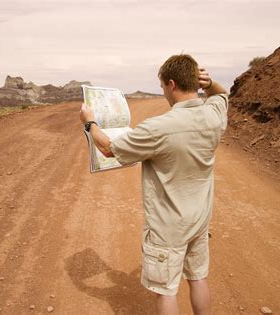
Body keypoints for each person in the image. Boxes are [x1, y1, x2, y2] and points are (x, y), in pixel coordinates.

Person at [79, 54, 228, 314]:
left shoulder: (159, 128)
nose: (163, 92)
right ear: (196, 81)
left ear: (171, 84)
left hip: (168, 227)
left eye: (161, 87)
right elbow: (221, 96)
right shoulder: (213, 116)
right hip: (200, 220)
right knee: (197, 278)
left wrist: (89, 122)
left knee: (166, 291)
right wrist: (211, 83)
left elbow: (108, 149)